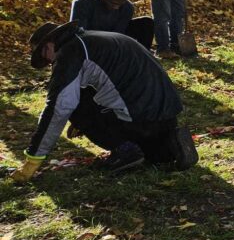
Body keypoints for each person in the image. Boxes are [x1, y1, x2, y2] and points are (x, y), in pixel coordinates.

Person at [7, 21, 198, 182]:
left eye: (45, 57)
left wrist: (33, 159)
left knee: (72, 105)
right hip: (166, 111)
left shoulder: (70, 52)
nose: (49, 63)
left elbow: (58, 107)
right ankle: (168, 143)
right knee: (157, 157)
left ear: (49, 45)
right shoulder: (97, 38)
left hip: (140, 117)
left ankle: (126, 151)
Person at [70, 0, 155, 50]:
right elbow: (79, 32)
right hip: (90, 36)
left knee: (146, 22)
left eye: (119, 4)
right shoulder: (83, 3)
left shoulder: (127, 7)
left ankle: (143, 54)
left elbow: (119, 32)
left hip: (112, 36)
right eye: (112, 3)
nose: (116, 7)